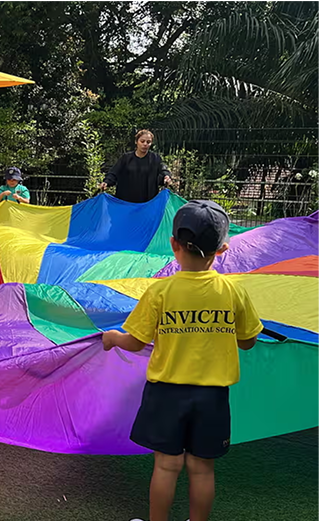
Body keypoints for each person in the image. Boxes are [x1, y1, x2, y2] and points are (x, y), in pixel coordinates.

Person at [102, 200, 262, 521]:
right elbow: (248, 342)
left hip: (167, 394)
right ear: (222, 249)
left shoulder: (160, 292)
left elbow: (135, 342)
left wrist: (113, 338)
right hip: (212, 397)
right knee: (202, 468)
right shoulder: (233, 292)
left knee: (166, 465)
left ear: (173, 244)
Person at [98, 129, 173, 203]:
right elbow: (114, 173)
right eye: (142, 141)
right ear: (136, 142)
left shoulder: (155, 158)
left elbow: (163, 169)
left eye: (148, 142)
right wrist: (106, 182)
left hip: (148, 204)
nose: (145, 144)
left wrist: (166, 176)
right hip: (126, 202)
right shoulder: (126, 158)